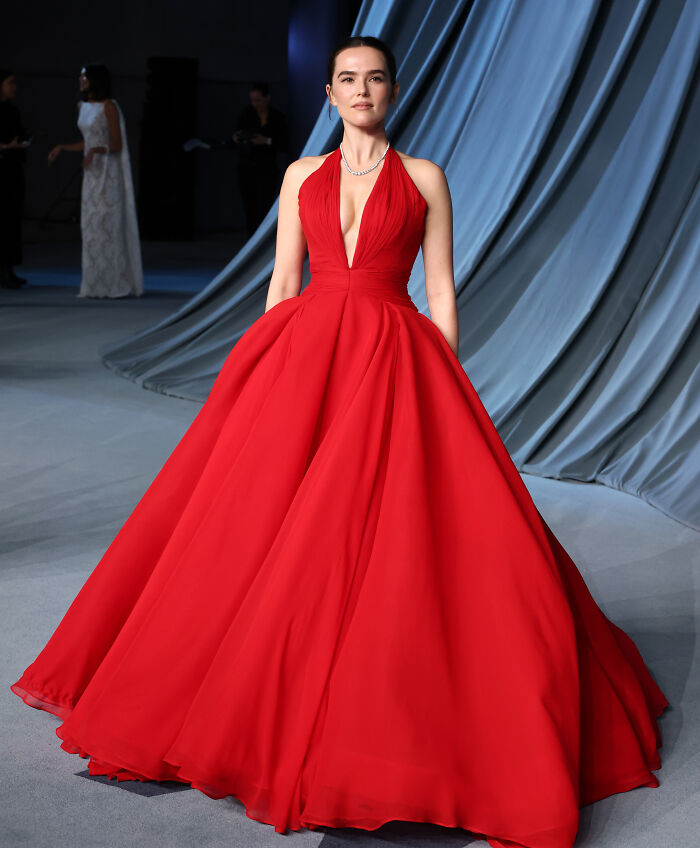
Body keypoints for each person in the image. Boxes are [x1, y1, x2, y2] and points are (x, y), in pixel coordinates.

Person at [11, 36, 667, 848]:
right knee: (266, 524)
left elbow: (439, 292)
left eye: (375, 78)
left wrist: (442, 386)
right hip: (308, 356)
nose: (362, 91)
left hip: (395, 357)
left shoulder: (424, 178)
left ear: (393, 89)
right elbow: (283, 284)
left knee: (394, 533)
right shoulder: (300, 177)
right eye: (348, 80)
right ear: (328, 93)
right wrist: (260, 378)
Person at [48, 65, 143, 298]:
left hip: (107, 174)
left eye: (85, 76)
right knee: (91, 228)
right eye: (80, 76)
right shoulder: (82, 106)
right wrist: (63, 147)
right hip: (91, 174)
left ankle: (116, 283)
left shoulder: (109, 106)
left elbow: (117, 144)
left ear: (95, 79)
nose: (81, 80)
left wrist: (96, 150)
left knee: (108, 225)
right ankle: (94, 283)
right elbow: (87, 141)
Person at [233, 81, 288, 237]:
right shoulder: (247, 114)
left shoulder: (277, 117)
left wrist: (266, 141)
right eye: (253, 100)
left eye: (258, 100)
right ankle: (252, 238)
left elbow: (283, 143)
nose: (255, 104)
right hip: (247, 165)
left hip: (267, 168)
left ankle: (263, 238)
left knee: (264, 204)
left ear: (267, 98)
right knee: (249, 205)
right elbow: (237, 134)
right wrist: (239, 138)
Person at [0, 69, 29, 289]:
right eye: (9, 83)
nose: (13, 87)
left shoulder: (13, 110)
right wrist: (4, 146)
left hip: (12, 170)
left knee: (11, 221)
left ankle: (8, 268)